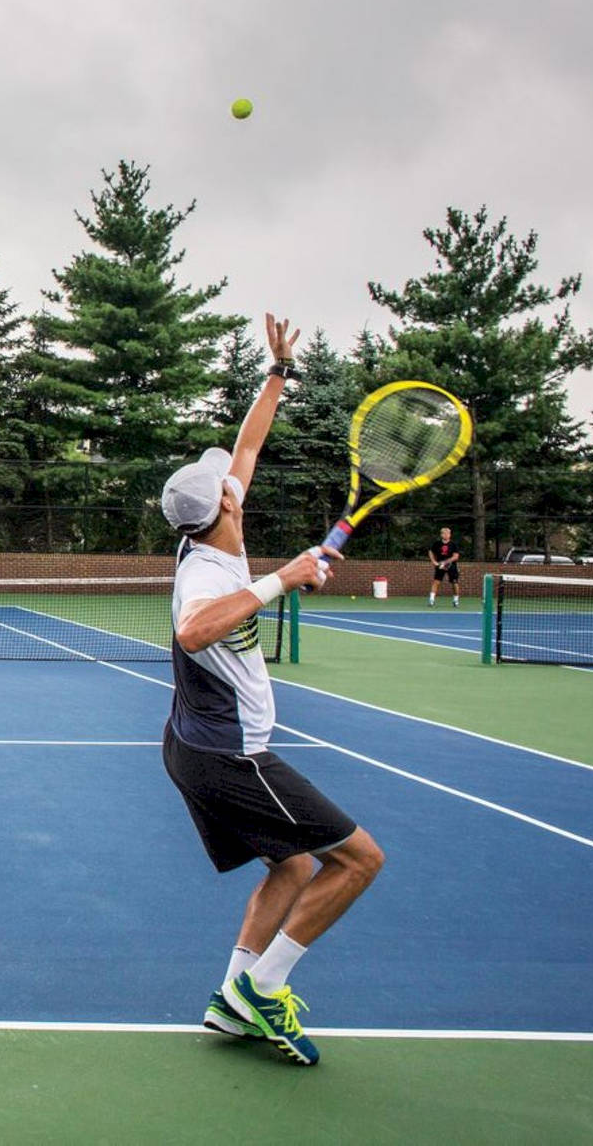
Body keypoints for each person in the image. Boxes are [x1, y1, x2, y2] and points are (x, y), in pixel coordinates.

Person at [158, 313, 385, 1068]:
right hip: (232, 756)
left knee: (291, 864)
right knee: (358, 860)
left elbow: (249, 442)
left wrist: (278, 371)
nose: (237, 479)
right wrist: (284, 577)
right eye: (229, 484)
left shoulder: (211, 527)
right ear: (224, 507)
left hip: (193, 747)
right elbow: (194, 630)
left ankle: (231, 1001)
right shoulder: (206, 572)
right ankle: (265, 986)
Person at [428, 527, 462, 607]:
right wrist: (434, 562)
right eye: (444, 533)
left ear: (450, 535)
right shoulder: (437, 544)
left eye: (448, 533)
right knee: (436, 582)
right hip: (440, 566)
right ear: (441, 534)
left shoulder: (453, 544)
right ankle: (431, 600)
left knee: (454, 583)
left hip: (451, 566)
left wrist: (446, 562)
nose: (446, 535)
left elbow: (456, 556)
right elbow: (430, 552)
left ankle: (455, 600)